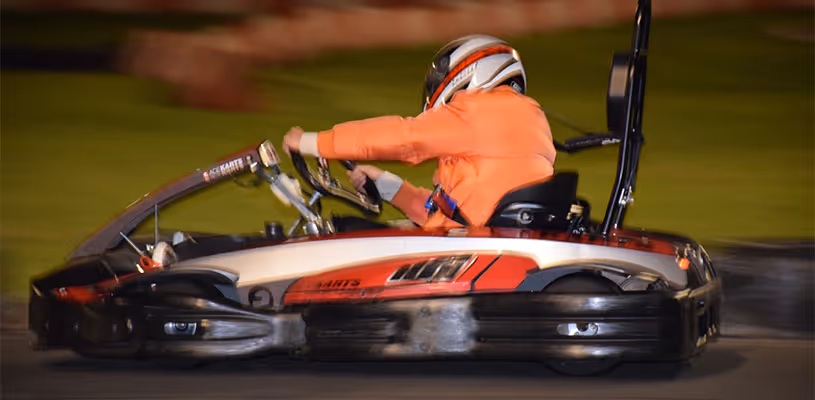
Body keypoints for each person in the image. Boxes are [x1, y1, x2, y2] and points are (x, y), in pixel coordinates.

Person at [283, 34, 556, 230]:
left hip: (467, 246)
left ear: (468, 71)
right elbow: (457, 210)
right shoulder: (530, 119)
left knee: (342, 231)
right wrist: (390, 187)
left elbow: (404, 138)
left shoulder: (476, 111)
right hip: (484, 240)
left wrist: (314, 143)